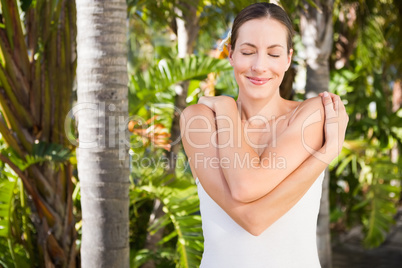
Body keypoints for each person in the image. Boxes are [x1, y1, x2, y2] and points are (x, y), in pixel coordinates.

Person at [180, 2, 348, 267]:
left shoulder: (312, 114)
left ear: (288, 59)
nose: (260, 66)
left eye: (273, 53)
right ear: (231, 54)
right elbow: (251, 214)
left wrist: (225, 109)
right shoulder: (200, 120)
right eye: (248, 51)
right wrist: (326, 154)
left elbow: (249, 193)